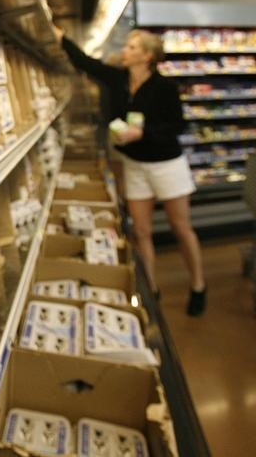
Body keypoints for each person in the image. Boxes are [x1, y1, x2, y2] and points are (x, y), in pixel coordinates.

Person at [55, 27, 207, 316]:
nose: (126, 50)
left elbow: (178, 126)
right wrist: (60, 35)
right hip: (135, 165)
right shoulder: (119, 79)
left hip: (166, 164)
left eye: (133, 47)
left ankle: (198, 285)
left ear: (147, 56)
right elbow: (86, 62)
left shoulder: (164, 87)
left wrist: (143, 132)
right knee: (141, 230)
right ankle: (152, 290)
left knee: (181, 227)